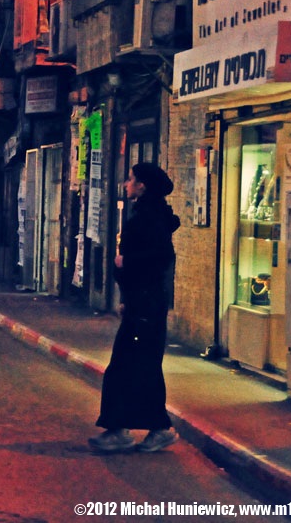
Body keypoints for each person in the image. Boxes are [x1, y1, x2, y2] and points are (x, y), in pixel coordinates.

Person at [89, 162, 181, 454]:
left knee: (134, 365)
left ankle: (147, 429)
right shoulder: (146, 214)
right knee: (135, 365)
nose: (126, 184)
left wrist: (126, 263)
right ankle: (128, 428)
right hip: (141, 301)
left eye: (130, 179)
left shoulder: (151, 217)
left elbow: (161, 257)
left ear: (142, 185)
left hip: (147, 303)